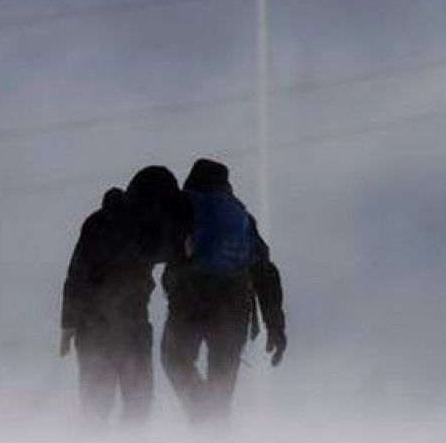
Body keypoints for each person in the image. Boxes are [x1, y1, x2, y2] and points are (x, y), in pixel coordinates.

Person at [161, 158, 286, 421]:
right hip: (234, 307)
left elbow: (151, 248)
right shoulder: (241, 218)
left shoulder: (184, 208)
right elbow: (265, 271)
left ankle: (202, 418)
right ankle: (217, 440)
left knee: (175, 360)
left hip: (189, 300)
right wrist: (275, 325)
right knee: (222, 386)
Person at [61, 166, 188, 421]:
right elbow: (173, 251)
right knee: (138, 403)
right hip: (133, 327)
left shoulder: (97, 222)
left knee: (95, 406)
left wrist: (68, 326)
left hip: (91, 329)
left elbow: (76, 276)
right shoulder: (146, 229)